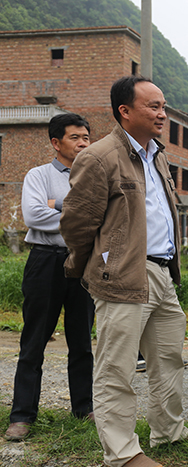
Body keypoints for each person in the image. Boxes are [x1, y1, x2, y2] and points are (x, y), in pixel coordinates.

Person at [60, 75, 188, 467]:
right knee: (117, 367)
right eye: (153, 106)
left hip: (162, 273)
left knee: (168, 356)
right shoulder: (99, 157)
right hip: (123, 274)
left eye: (163, 107)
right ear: (125, 111)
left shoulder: (157, 155)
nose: (162, 114)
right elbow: (77, 224)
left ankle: (168, 429)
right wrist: (99, 265)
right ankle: (123, 453)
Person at [4, 113, 95, 442]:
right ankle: (22, 415)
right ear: (56, 142)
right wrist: (81, 213)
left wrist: (57, 205)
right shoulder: (38, 175)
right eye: (75, 137)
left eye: (86, 137)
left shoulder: (94, 175)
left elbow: (105, 215)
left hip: (83, 262)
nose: (83, 143)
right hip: (45, 261)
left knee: (81, 341)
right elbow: (34, 215)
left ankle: (84, 409)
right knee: (34, 340)